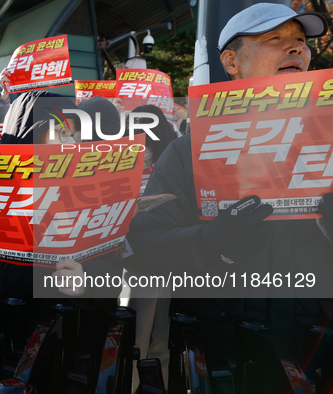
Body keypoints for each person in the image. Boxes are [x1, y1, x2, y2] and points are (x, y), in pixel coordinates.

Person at [126, 2, 331, 382]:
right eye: (275, 39)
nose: (296, 48)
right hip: (214, 352)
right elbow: (143, 242)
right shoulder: (187, 150)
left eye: (301, 41)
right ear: (232, 62)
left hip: (312, 347)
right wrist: (210, 243)